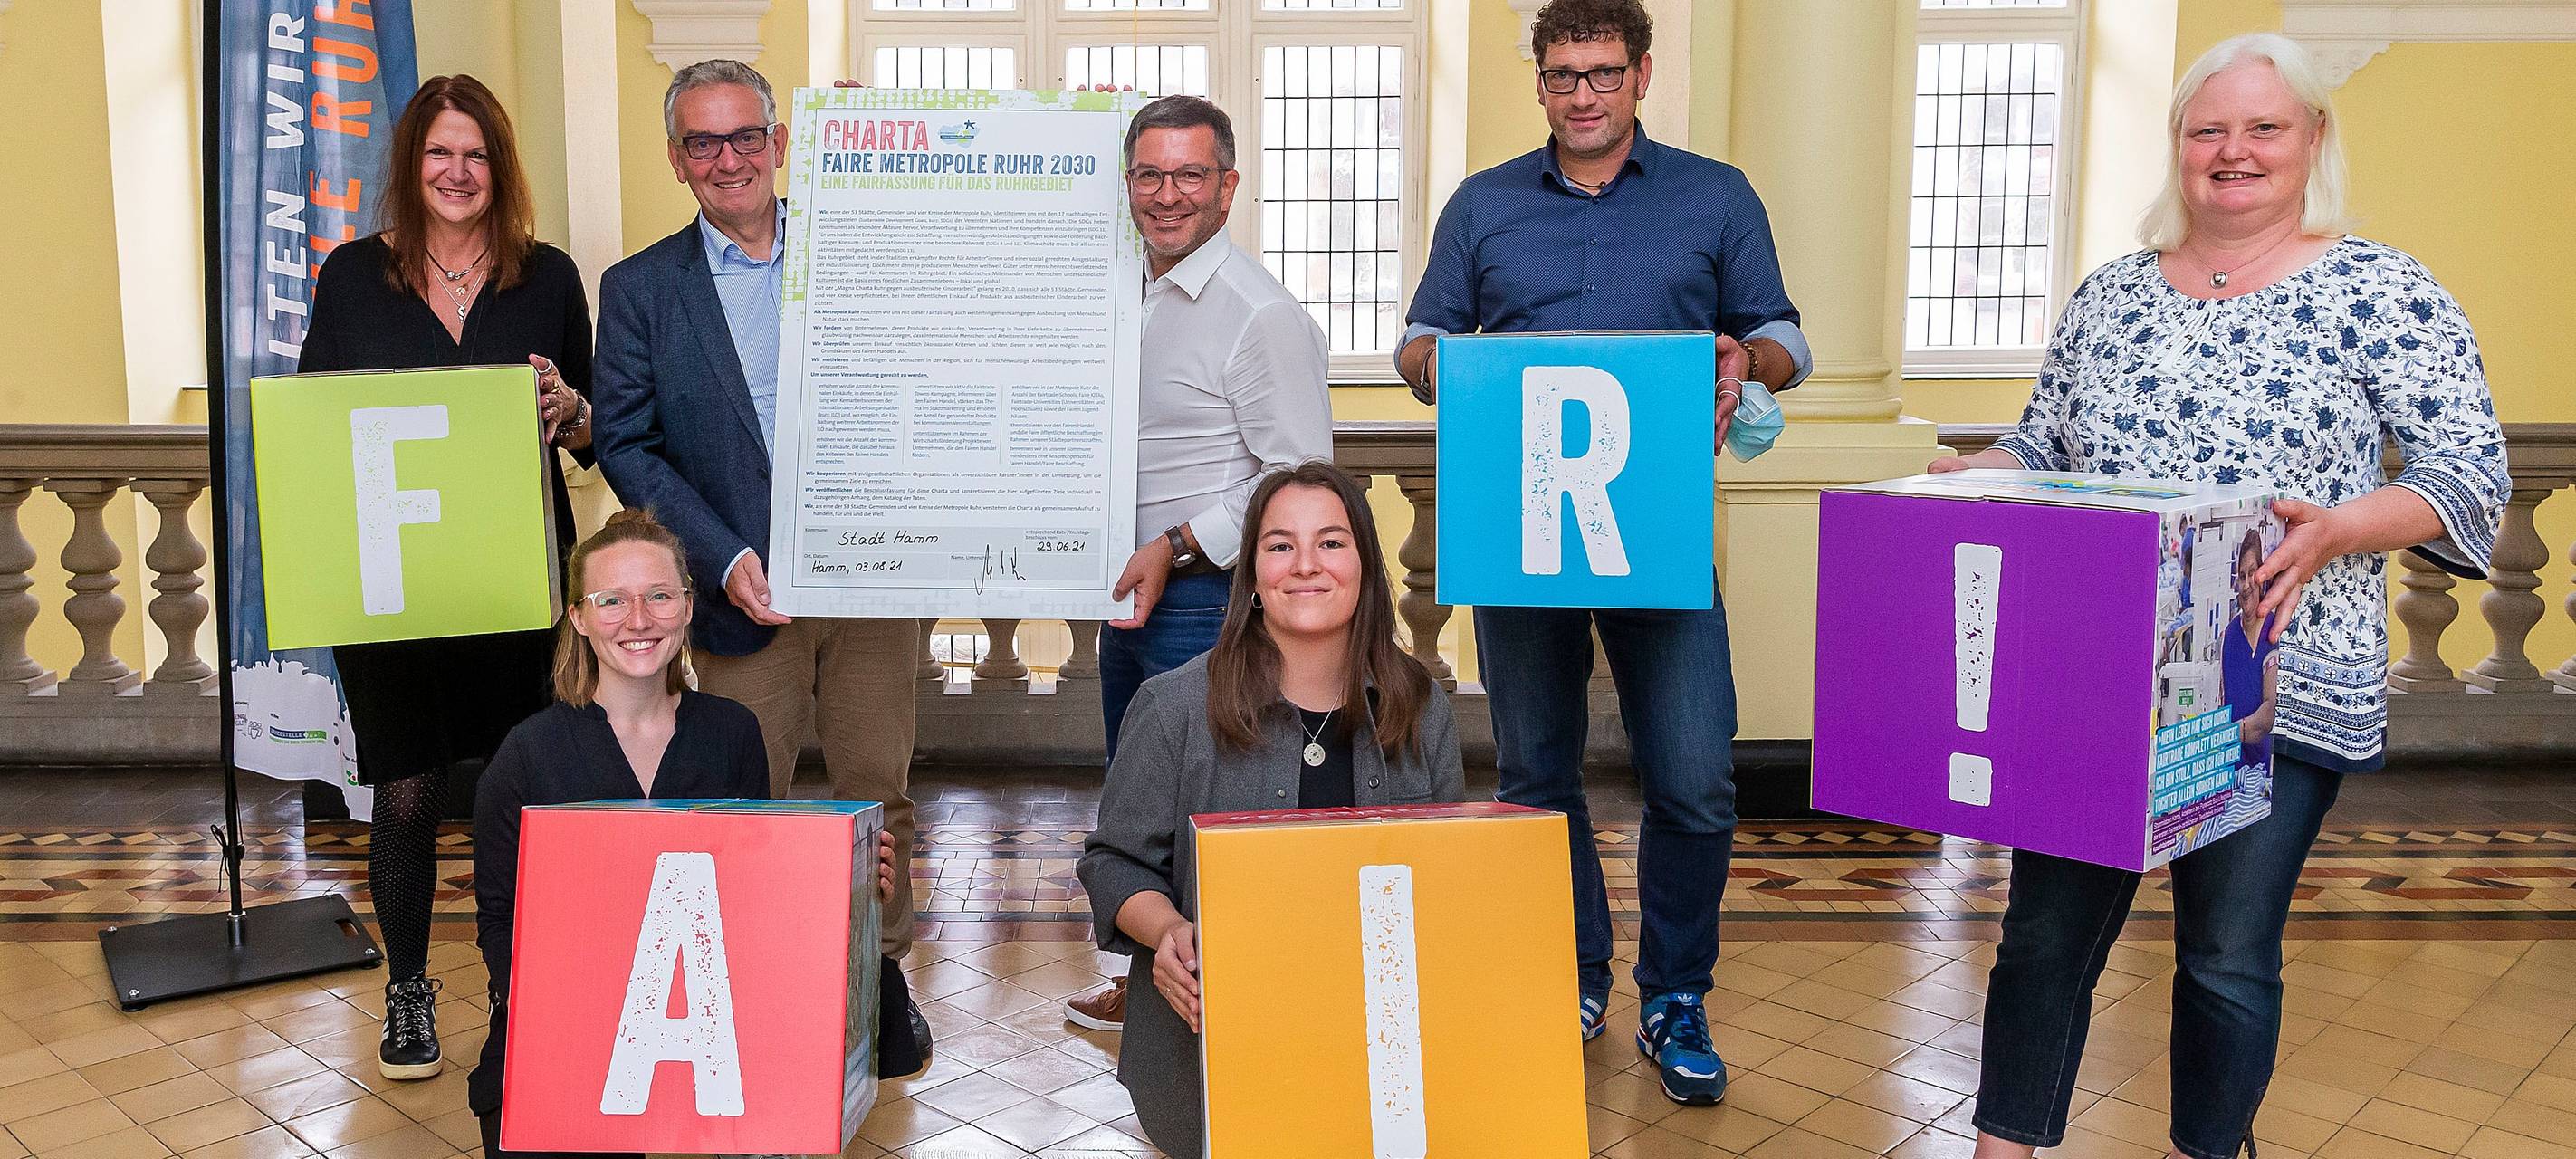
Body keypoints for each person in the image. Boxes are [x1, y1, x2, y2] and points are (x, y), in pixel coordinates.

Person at [1931, 34, 2507, 1159]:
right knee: (2042, 934)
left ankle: (2205, 1147)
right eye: (2208, 129)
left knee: (2226, 953)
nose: (2232, 151)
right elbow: (2045, 441)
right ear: (2178, 145)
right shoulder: (2110, 294)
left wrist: (2337, 527)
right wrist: (1978, 471)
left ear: (2312, 140)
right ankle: (2001, 1147)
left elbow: (2466, 474)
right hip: (2098, 674)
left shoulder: (2384, 289)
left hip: (2272, 681)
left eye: (2261, 127)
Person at [1393, 0, 1812, 1106]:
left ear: (1642, 74)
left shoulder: (1715, 196)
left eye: (1603, 73)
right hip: (1518, 528)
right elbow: (1419, 337)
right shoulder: (1482, 204)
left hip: (1657, 530)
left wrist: (1747, 360)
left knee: (1695, 776)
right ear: (1538, 80)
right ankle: (1568, 970)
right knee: (1536, 775)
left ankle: (1674, 995)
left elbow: (1785, 335)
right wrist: (1442, 369)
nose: (1582, 94)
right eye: (1562, 75)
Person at [296, 73, 593, 1081]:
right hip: (391, 587)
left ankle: (520, 991)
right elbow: (313, 425)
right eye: (438, 152)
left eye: (475, 154)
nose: (457, 172)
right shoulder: (351, 277)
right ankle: (409, 988)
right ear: (410, 163)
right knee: (408, 795)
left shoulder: (547, 278)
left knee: (526, 796)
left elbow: (593, 432)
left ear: (498, 167)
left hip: (516, 584)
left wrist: (568, 408)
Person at [591, 59, 920, 961]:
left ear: (779, 143)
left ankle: (881, 988)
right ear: (675, 158)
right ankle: (759, 991)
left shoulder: (855, 245)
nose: (727, 159)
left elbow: (958, 298)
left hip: (872, 579)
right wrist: (724, 556)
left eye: (745, 136)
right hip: (742, 597)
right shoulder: (640, 288)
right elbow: (626, 443)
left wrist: (876, 167)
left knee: (879, 798)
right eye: (703, 142)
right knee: (747, 804)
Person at [468, 509, 925, 1158]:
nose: (638, 619)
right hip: (567, 1030)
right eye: (611, 600)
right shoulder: (526, 755)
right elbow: (499, 919)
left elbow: (748, 903)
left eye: (659, 596)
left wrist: (850, 886)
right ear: (577, 616)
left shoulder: (732, 732)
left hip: (704, 1027)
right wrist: (558, 1026)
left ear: (687, 607)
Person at [1078, 461, 1464, 1158]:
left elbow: (1445, 879)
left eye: (1331, 542)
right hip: (1209, 1056)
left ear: (1364, 568)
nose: (1305, 565)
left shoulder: (1419, 704)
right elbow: (1114, 862)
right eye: (1280, 545)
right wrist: (1166, 931)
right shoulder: (1171, 708)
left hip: (1377, 1045)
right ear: (1251, 576)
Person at [1059, 94, 1333, 1032]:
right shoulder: (1121, 291)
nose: (1167, 194)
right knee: (1139, 791)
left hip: (1207, 597)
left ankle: (1236, 984)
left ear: (1227, 186)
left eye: (1189, 174)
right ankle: (1147, 974)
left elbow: (1299, 478)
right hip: (1130, 594)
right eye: (1149, 173)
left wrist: (1177, 543)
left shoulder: (1259, 313)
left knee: (1212, 794)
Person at [2223, 530, 2280, 763]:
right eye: (2241, 576)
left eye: (2252, 574)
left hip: (2261, 765)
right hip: (2231, 762)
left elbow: (2269, 710)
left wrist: (2226, 734)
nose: (2246, 585)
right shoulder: (2230, 634)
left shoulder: (2272, 632)